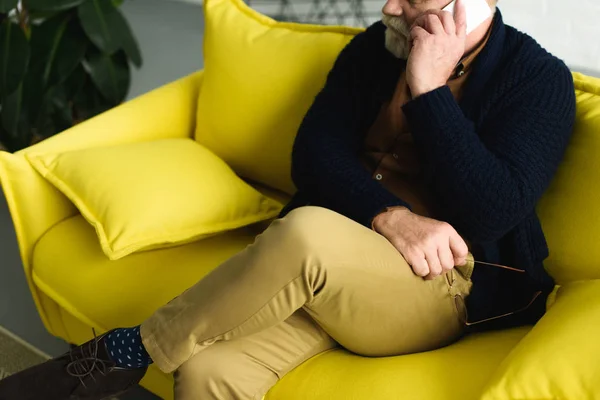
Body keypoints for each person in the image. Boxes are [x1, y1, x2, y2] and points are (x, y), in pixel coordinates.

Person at [0, 0, 576, 399]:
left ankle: (123, 354)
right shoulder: (374, 53)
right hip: (335, 269)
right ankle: (123, 360)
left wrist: (429, 89)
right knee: (208, 370)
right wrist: (390, 216)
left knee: (306, 233)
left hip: (438, 285)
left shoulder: (539, 81)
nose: (389, 11)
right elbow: (314, 155)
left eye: (408, 1)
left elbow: (493, 208)